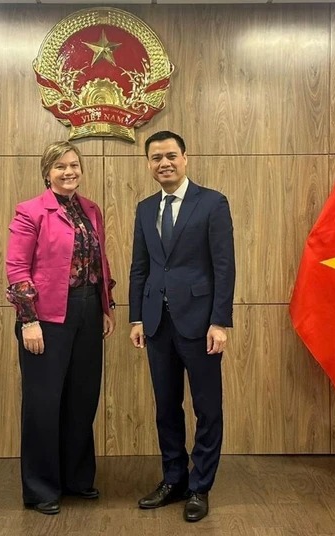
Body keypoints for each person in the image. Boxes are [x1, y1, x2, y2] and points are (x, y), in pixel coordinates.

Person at [128, 131, 235, 522]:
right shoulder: (144, 209)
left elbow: (224, 266)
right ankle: (173, 479)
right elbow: (140, 267)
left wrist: (220, 321)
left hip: (201, 323)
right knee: (166, 407)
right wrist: (137, 317)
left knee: (207, 408)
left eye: (171, 155)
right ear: (149, 164)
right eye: (156, 158)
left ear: (185, 158)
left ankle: (199, 486)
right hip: (157, 323)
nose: (164, 163)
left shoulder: (212, 203)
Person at [5, 140, 116, 515]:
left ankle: (76, 479)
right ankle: (41, 489)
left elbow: (99, 262)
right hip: (46, 317)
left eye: (74, 165)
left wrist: (104, 306)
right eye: (60, 166)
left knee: (82, 398)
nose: (69, 172)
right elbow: (17, 268)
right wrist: (28, 319)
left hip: (87, 310)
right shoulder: (30, 212)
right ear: (47, 173)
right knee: (43, 403)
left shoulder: (91, 209)